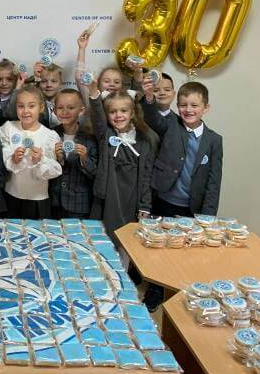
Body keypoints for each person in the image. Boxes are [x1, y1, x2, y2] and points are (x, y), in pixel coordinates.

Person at [140, 78, 223, 311]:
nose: (188, 110)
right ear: (177, 106)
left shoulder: (214, 140)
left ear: (206, 108)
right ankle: (156, 289)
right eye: (183, 105)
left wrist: (208, 217)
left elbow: (214, 181)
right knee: (160, 247)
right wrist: (149, 97)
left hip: (192, 207)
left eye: (194, 105)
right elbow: (152, 117)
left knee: (186, 249)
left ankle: (182, 289)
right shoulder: (170, 126)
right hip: (164, 200)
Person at [85, 76, 158, 254]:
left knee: (128, 244)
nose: (118, 115)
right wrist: (93, 92)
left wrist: (145, 205)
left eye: (124, 110)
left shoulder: (145, 139)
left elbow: (147, 175)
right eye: (113, 112)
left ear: (132, 113)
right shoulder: (106, 134)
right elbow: (97, 116)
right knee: (102, 244)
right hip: (108, 198)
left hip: (132, 199)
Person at [0, 85, 62, 218]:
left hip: (38, 199)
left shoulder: (49, 136)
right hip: (11, 195)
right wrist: (14, 159)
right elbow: (3, 159)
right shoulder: (8, 128)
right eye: (21, 106)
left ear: (41, 107)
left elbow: (53, 170)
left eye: (31, 106)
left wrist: (40, 160)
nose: (26, 111)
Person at [49, 89, 98, 220]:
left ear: (81, 111)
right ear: (54, 111)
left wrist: (84, 159)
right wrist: (59, 159)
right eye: (60, 108)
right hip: (54, 201)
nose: (65, 112)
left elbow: (95, 173)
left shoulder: (90, 137)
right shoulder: (51, 134)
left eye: (70, 108)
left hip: (79, 204)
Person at [0, 58, 21, 133]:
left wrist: (18, 88)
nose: (4, 83)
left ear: (16, 80)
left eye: (9, 79)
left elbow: (11, 113)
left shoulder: (18, 97)